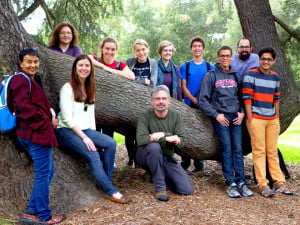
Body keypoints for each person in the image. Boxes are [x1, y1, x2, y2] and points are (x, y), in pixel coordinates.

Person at [56, 54, 129, 204]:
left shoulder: (90, 87)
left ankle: (105, 181)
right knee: (93, 154)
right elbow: (67, 119)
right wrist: (85, 138)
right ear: (75, 68)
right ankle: (111, 191)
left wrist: (94, 136)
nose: (84, 68)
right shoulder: (67, 88)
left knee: (110, 143)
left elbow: (90, 116)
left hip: (85, 129)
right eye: (81, 65)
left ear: (91, 69)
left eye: (87, 66)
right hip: (66, 131)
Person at [7, 48, 66, 224]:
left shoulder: (29, 79)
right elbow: (25, 109)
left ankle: (31, 212)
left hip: (33, 133)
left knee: (48, 172)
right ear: (21, 63)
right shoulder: (20, 80)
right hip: (35, 135)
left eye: (35, 62)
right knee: (43, 174)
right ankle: (44, 216)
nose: (33, 65)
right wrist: (46, 123)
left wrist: (49, 119)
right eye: (29, 62)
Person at [199, 46, 253, 198]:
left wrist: (242, 113)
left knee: (238, 149)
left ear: (231, 57)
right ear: (218, 57)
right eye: (222, 55)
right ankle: (231, 183)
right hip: (221, 118)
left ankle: (241, 182)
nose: (225, 58)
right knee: (227, 149)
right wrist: (216, 115)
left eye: (228, 56)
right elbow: (203, 100)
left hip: (236, 117)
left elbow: (243, 97)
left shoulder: (236, 76)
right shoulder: (211, 76)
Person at [243, 47, 293, 197]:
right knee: (259, 151)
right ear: (259, 60)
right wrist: (250, 118)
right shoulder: (251, 75)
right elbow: (246, 98)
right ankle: (263, 184)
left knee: (272, 152)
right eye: (263, 59)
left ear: (273, 61)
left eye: (269, 59)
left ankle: (279, 182)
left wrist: (276, 116)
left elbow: (276, 98)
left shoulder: (275, 77)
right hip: (256, 118)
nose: (266, 61)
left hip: (272, 119)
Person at [136, 85, 193, 201]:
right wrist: (169, 137)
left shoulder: (176, 116)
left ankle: (154, 174)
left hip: (165, 157)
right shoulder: (145, 115)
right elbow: (141, 139)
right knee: (154, 147)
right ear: (152, 101)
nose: (160, 101)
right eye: (157, 99)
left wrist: (163, 135)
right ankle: (160, 189)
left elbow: (181, 141)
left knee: (186, 189)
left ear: (169, 100)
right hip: (144, 155)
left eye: (163, 98)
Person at [179, 36, 214, 172]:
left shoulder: (209, 67)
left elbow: (212, 87)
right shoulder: (185, 66)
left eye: (199, 46)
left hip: (204, 105)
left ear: (203, 49)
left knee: (200, 132)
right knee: (186, 132)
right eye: (194, 46)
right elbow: (183, 86)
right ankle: (185, 161)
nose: (197, 48)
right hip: (189, 104)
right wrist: (193, 99)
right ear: (191, 49)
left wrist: (203, 101)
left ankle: (199, 165)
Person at [88, 37, 134, 137]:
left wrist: (114, 71)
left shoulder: (119, 65)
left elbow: (131, 76)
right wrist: (104, 67)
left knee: (108, 137)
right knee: (94, 137)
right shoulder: (95, 60)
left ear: (116, 51)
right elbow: (85, 58)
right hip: (94, 107)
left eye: (113, 49)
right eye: (107, 48)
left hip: (109, 109)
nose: (110, 52)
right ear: (102, 49)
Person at [125, 39, 158, 167]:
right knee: (129, 132)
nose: (141, 52)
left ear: (148, 49)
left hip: (145, 102)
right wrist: (143, 81)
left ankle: (139, 160)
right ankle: (131, 158)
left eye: (143, 49)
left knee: (142, 132)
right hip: (130, 101)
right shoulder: (129, 62)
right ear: (134, 51)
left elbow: (153, 83)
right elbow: (126, 81)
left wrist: (136, 81)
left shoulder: (153, 63)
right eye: (138, 50)